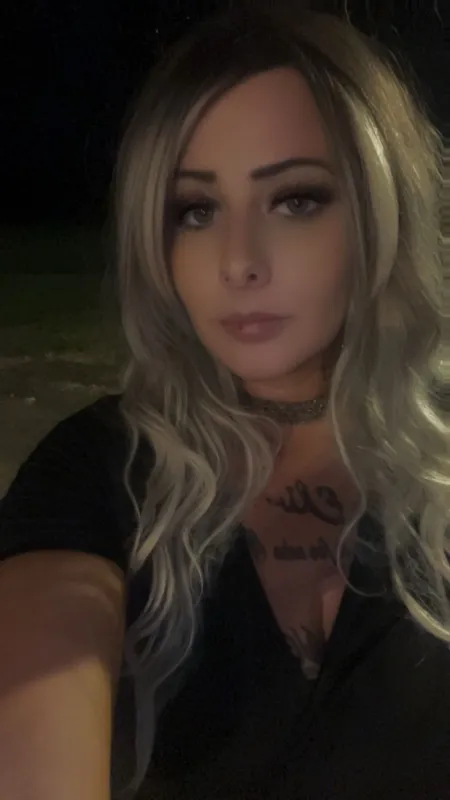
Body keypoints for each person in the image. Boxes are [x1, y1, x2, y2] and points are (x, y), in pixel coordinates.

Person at [0, 3, 449, 799]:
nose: (238, 261)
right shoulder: (99, 469)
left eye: (296, 199)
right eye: (196, 210)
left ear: (380, 212)